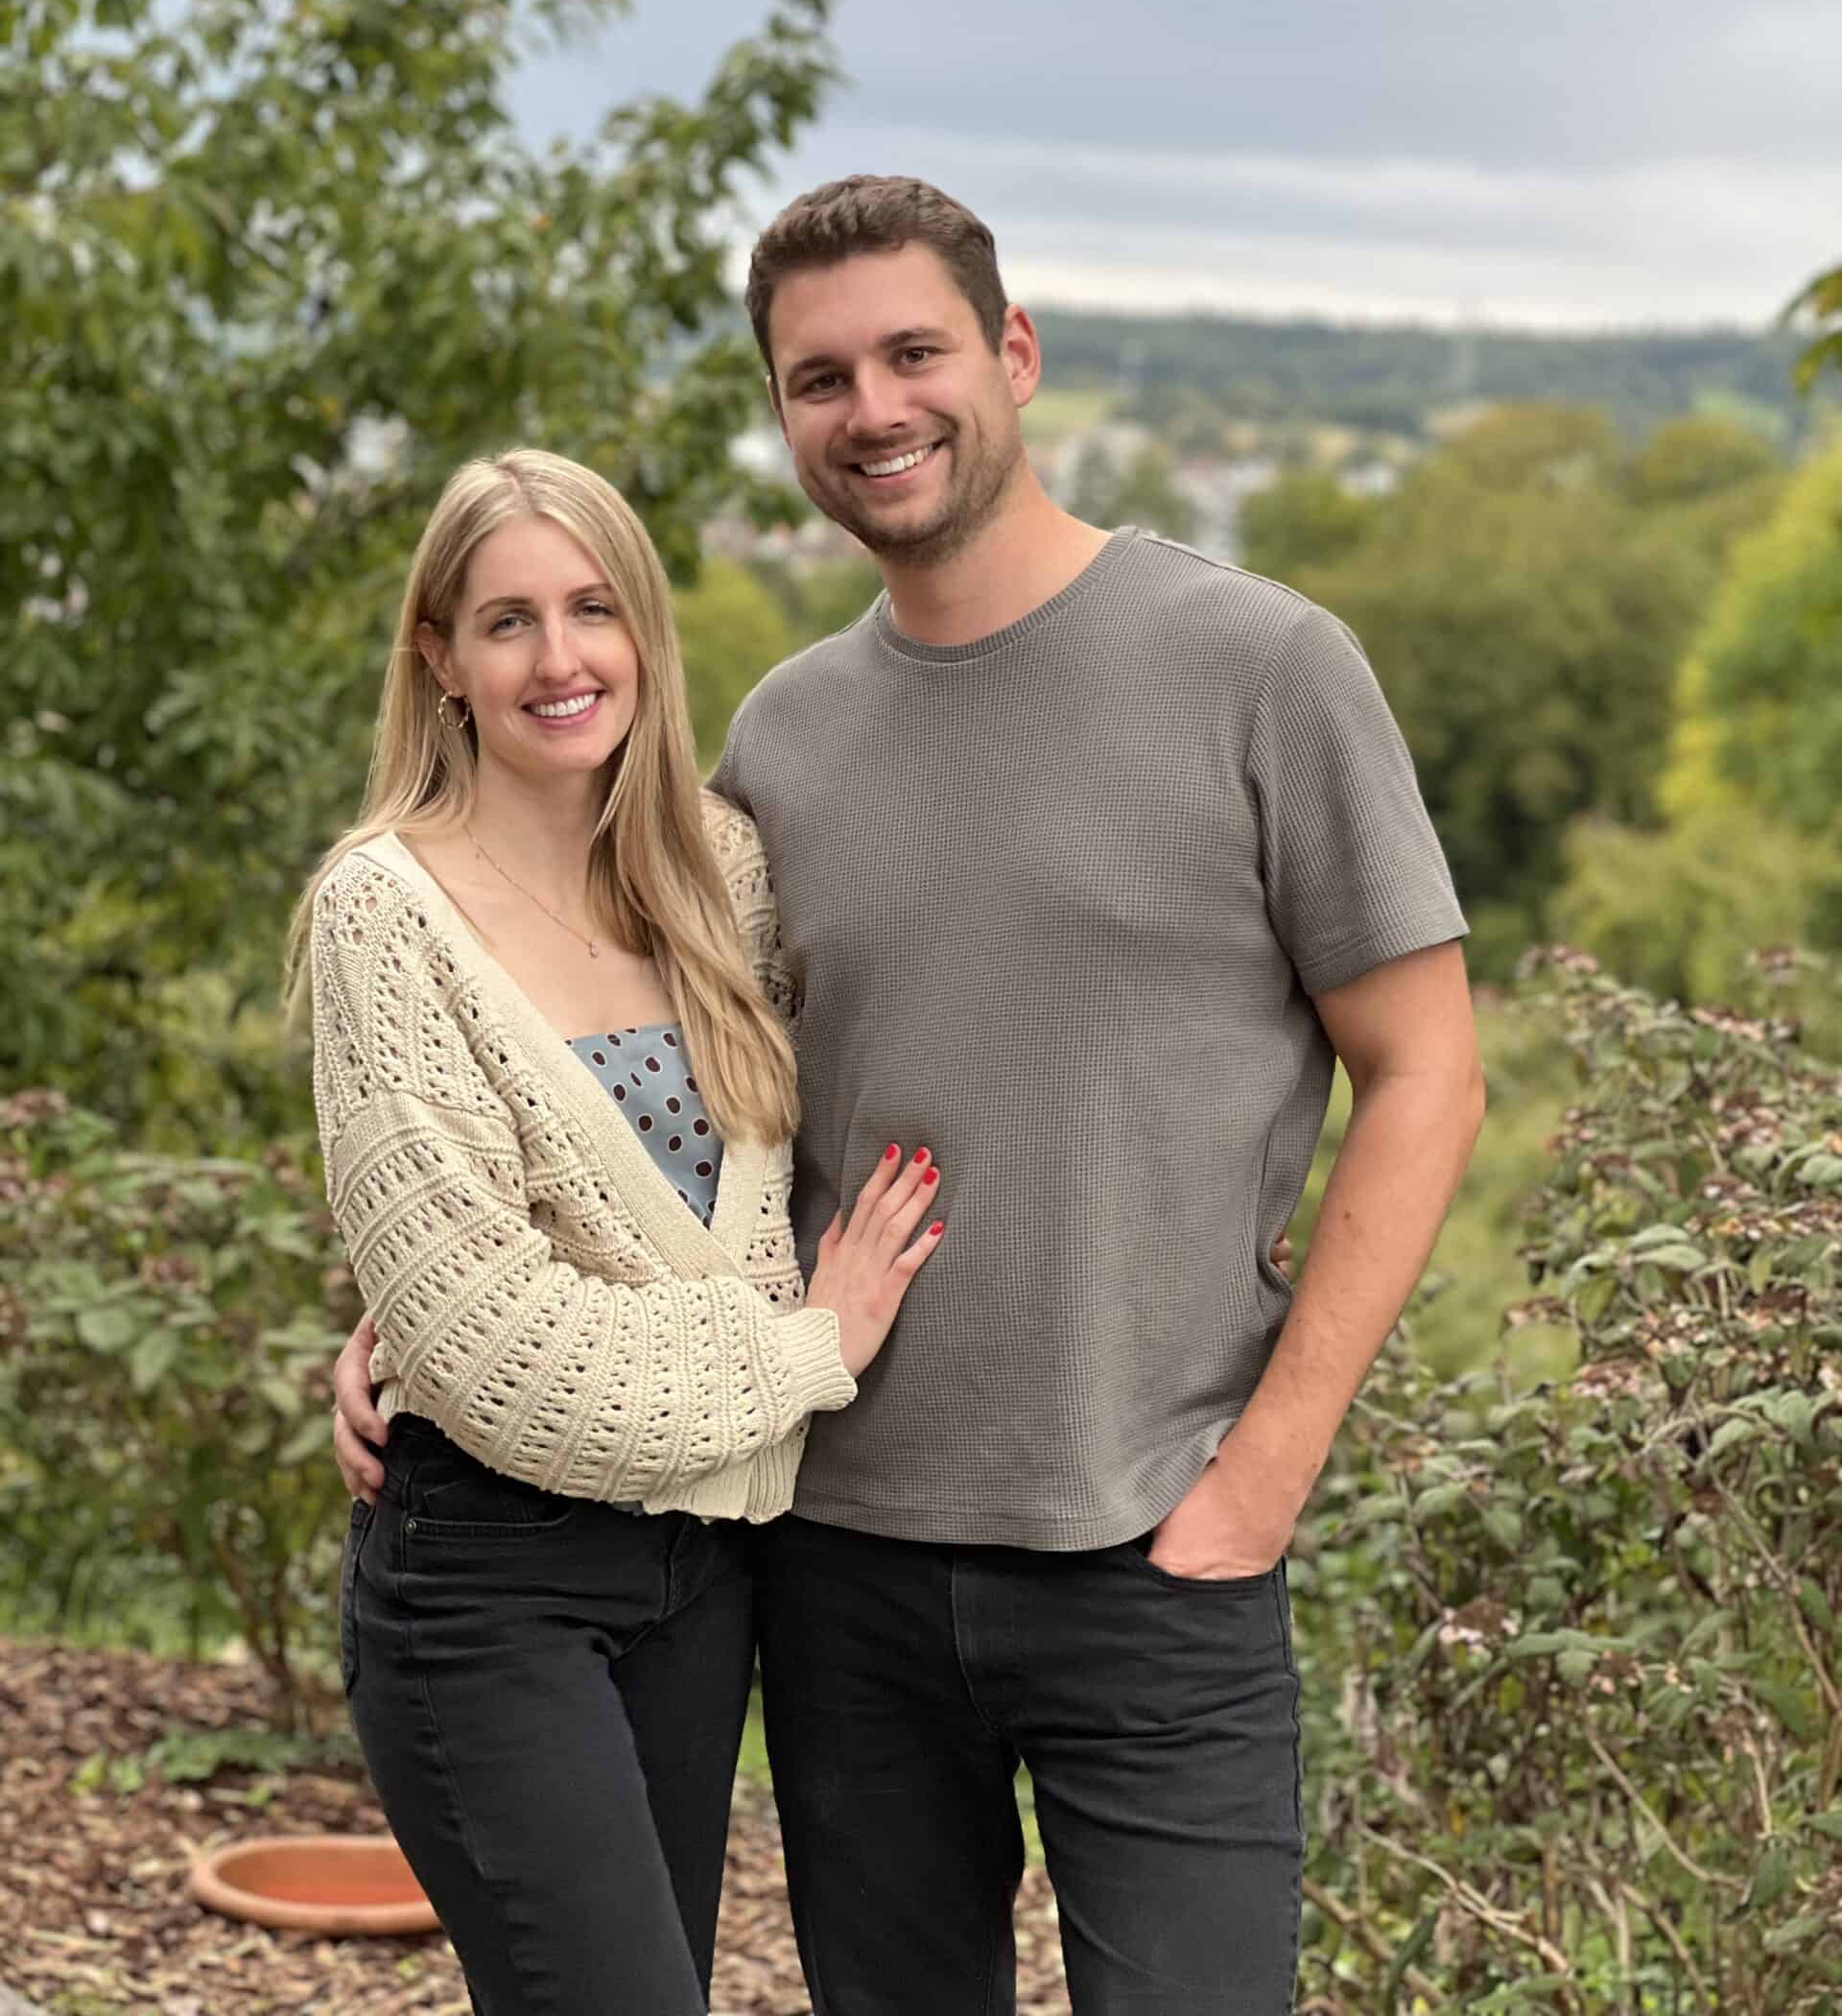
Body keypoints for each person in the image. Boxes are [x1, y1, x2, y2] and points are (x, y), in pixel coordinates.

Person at [338, 178, 1485, 2015]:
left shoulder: (1262, 667)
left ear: (1012, 355)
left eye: (913, 352)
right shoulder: (773, 748)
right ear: (784, 417)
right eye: (819, 378)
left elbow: (1428, 1073)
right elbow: (648, 1106)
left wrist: (1263, 1479)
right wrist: (410, 1316)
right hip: (829, 1563)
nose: (872, 407)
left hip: (1153, 1552)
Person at [294, 447, 946, 2016]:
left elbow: (720, 1216)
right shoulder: (385, 911)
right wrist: (810, 1348)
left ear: (645, 632)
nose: (561, 657)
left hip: (706, 1579)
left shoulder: (713, 872)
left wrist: (433, 1317)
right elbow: (503, 1351)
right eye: (507, 620)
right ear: (437, 656)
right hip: (492, 1581)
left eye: (594, 609)